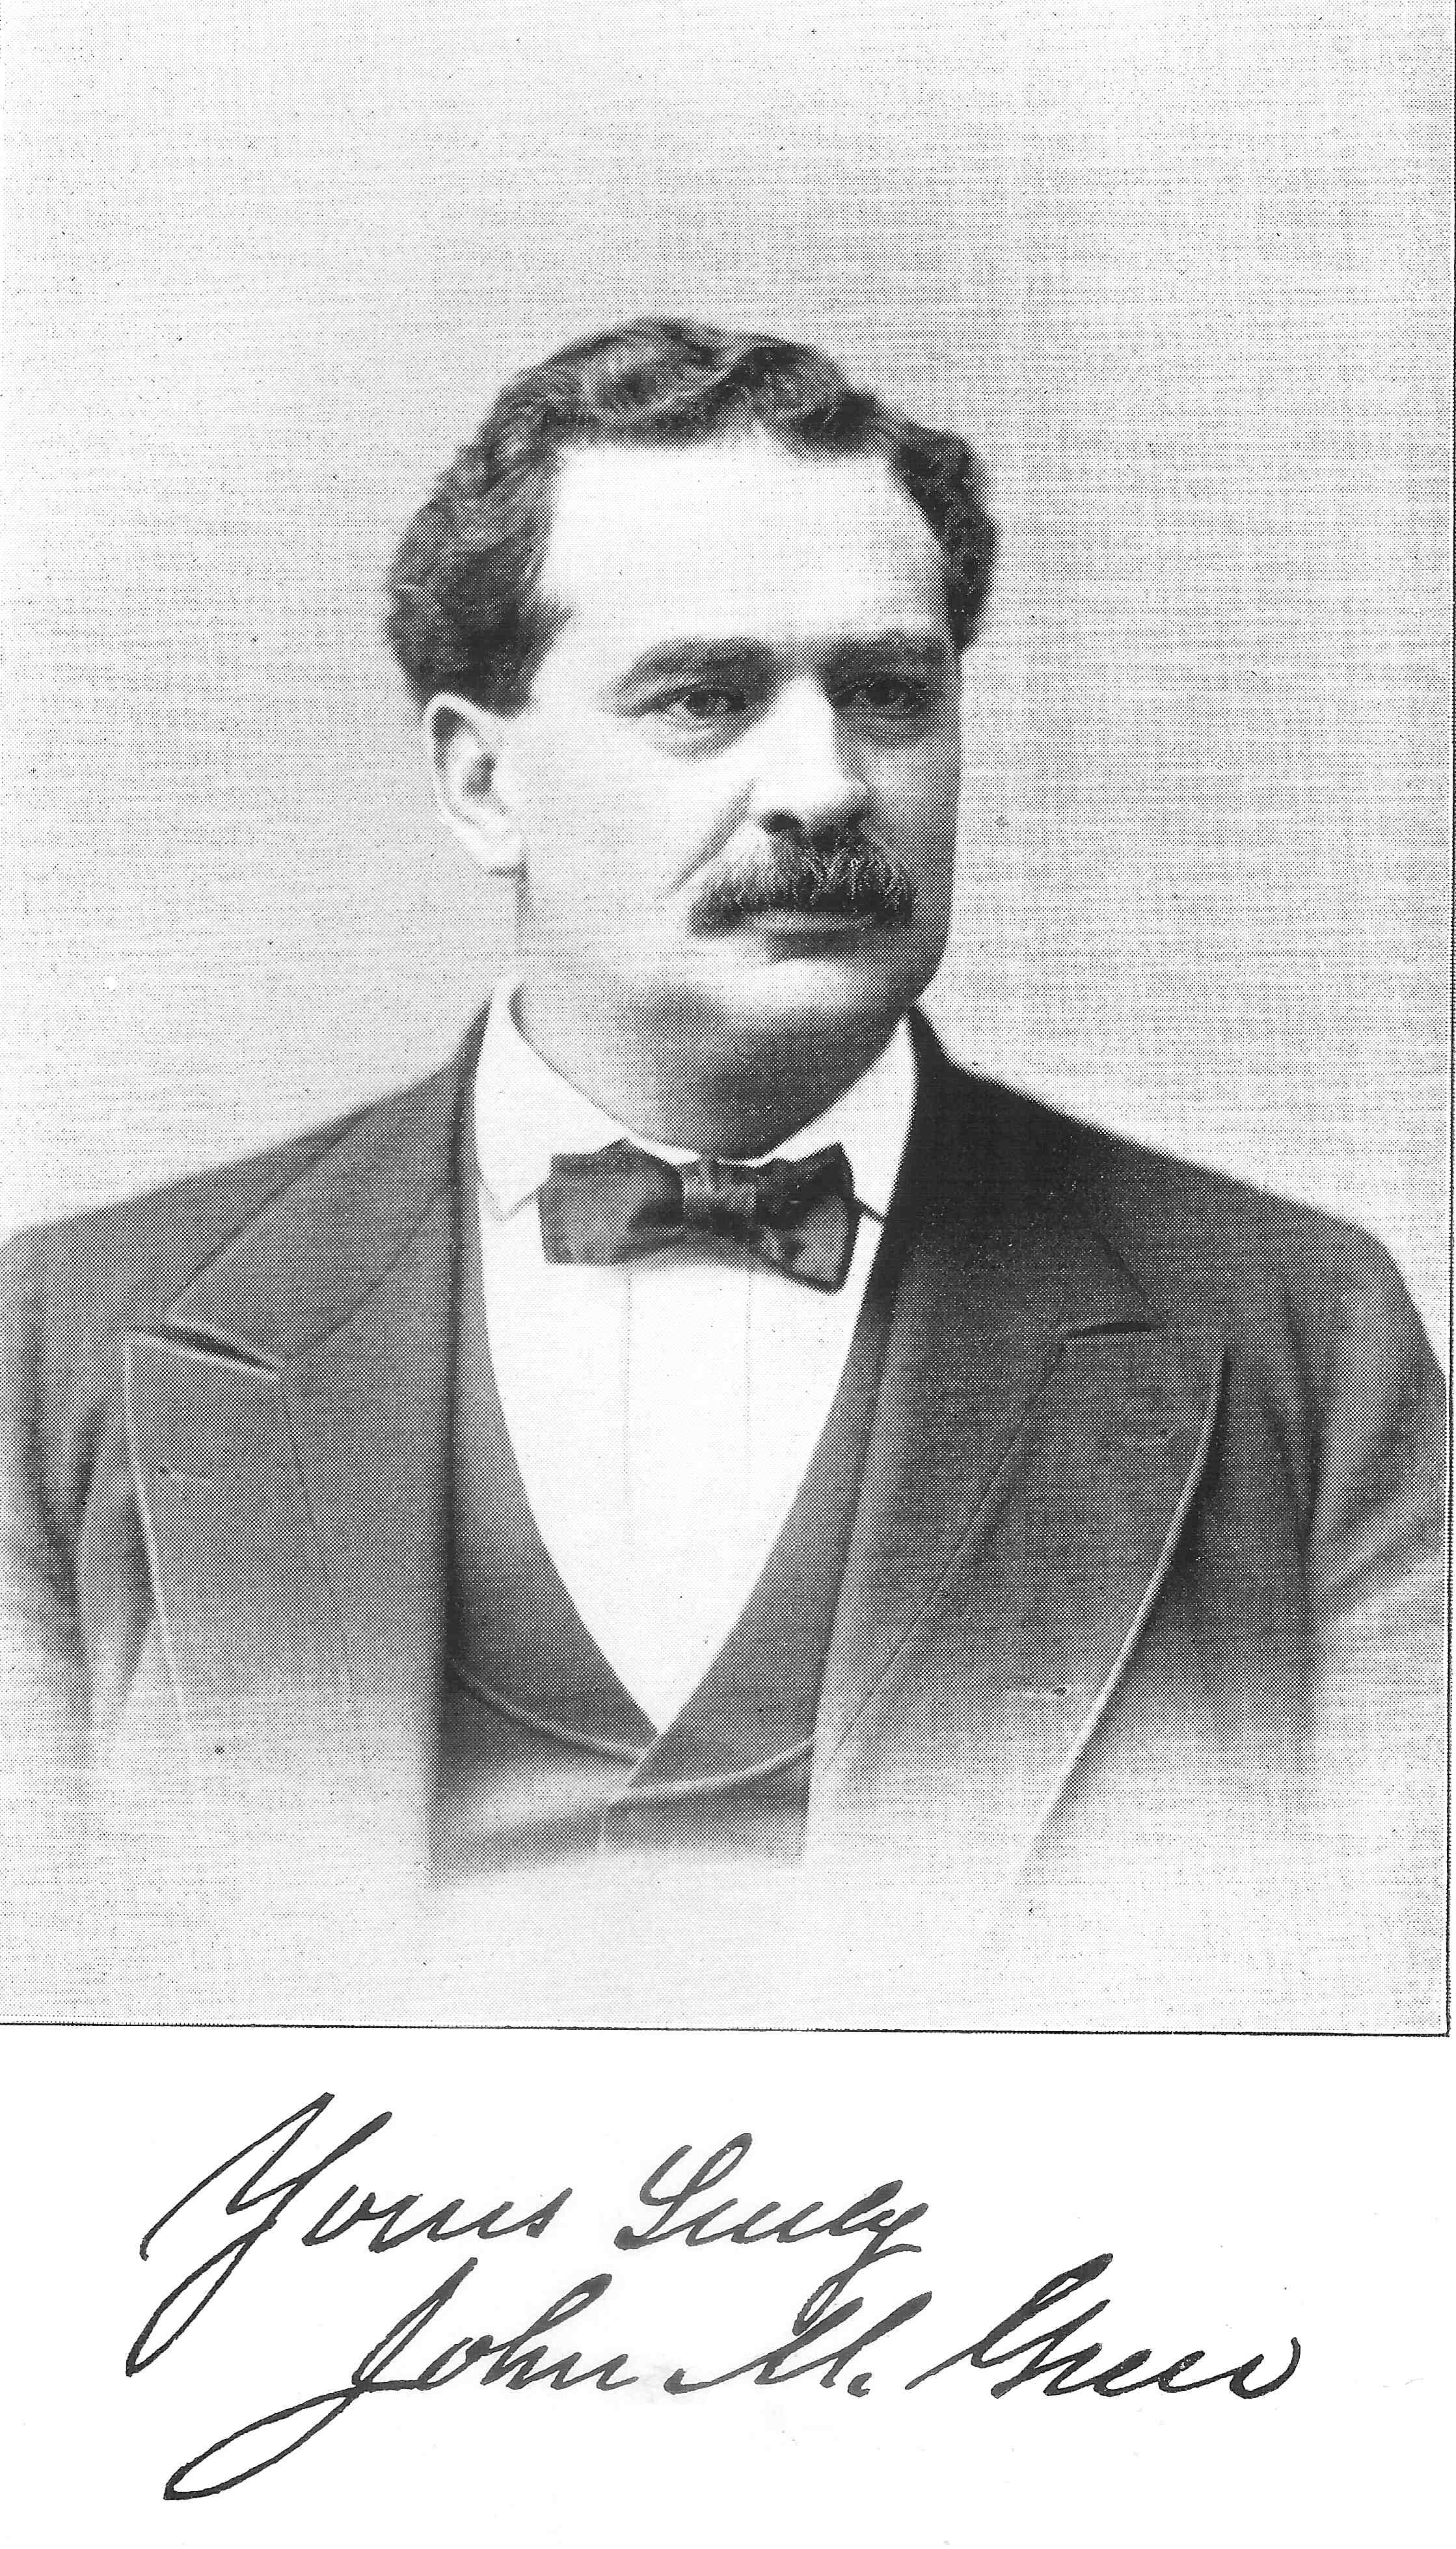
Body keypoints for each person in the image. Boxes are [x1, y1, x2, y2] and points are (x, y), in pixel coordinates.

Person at [0, 319, 1444, 2027]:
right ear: (481, 779)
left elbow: (1395, 2061)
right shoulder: (63, 1350)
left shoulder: (1304, 1341)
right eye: (705, 698)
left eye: (890, 695)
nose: (825, 785)